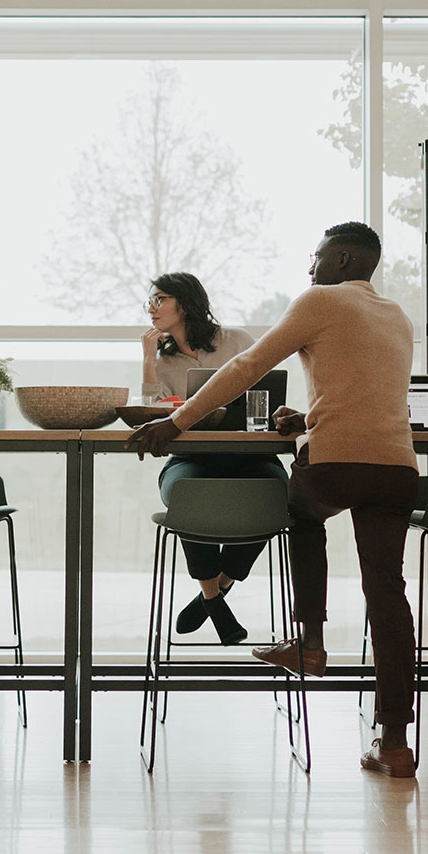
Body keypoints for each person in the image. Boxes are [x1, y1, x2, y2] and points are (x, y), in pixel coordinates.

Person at [128, 222, 422, 778]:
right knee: (388, 594)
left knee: (299, 511)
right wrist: (305, 418)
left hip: (334, 464)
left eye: (316, 257)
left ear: (342, 261)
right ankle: (395, 745)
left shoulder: (319, 299)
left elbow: (245, 368)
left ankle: (310, 642)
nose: (308, 267)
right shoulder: (396, 315)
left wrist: (178, 420)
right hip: (397, 470)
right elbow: (362, 396)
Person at [140, 272, 285, 646]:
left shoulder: (236, 340)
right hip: (192, 458)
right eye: (149, 302)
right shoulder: (164, 361)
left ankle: (213, 593)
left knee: (279, 492)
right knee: (188, 493)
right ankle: (213, 599)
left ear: (184, 303)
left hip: (249, 454)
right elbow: (154, 413)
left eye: (159, 299)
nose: (151, 309)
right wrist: (146, 360)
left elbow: (267, 390)